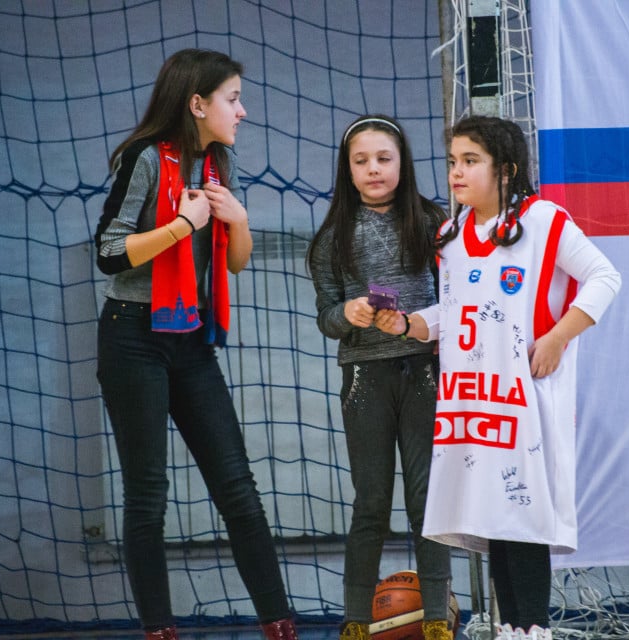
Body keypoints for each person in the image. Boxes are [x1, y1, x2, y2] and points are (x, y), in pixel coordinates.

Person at [376, 115, 622, 640]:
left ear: (505, 170)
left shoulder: (545, 221)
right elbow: (453, 310)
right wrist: (409, 323)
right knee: (492, 513)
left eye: (470, 161)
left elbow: (605, 277)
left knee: (523, 511)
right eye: (452, 162)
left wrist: (558, 337)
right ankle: (511, 628)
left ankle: (534, 629)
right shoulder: (452, 236)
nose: (456, 173)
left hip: (526, 396)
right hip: (471, 397)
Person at [93, 49, 298, 640]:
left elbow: (234, 264)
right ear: (198, 103)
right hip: (133, 335)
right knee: (147, 495)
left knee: (237, 487)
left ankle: (278, 624)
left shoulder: (218, 162)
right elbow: (108, 253)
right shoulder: (145, 160)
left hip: (189, 338)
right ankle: (159, 629)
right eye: (233, 98)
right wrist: (183, 226)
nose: (243, 110)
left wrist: (241, 221)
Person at [306, 115, 454, 640]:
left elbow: (456, 303)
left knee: (426, 499)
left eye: (383, 159)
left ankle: (437, 616)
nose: (373, 169)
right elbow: (326, 317)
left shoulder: (436, 223)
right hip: (364, 379)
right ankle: (356, 622)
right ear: (347, 170)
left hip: (425, 375)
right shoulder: (330, 238)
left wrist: (418, 326)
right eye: (360, 161)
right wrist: (347, 313)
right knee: (370, 501)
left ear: (402, 163)